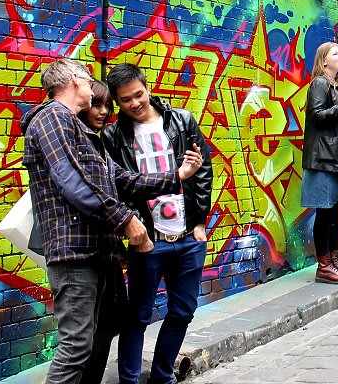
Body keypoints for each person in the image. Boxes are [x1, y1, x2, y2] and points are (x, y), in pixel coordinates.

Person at [22, 59, 203, 384]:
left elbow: (121, 179)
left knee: (102, 334)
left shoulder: (79, 128)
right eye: (89, 81)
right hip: (74, 254)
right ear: (76, 81)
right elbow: (72, 182)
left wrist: (176, 177)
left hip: (98, 254)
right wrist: (128, 223)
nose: (94, 88)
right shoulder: (52, 118)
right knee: (76, 345)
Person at [103, 64, 213, 384]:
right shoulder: (113, 136)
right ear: (117, 102)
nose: (135, 103)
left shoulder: (182, 121)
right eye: (126, 100)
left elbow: (202, 170)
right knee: (137, 316)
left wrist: (199, 222)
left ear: (146, 87)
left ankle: (162, 377)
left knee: (182, 311)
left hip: (187, 237)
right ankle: (129, 381)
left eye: (139, 94)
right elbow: (117, 187)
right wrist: (135, 230)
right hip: (149, 240)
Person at [76, 81, 124, 384]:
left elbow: (122, 180)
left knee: (108, 322)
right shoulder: (78, 141)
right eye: (97, 104)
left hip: (106, 249)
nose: (104, 111)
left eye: (108, 106)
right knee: (84, 333)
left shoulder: (99, 141)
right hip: (85, 250)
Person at [302, 41, 338, 284]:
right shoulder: (320, 84)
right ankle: (324, 265)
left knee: (335, 213)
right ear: (324, 60)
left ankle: (334, 259)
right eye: (335, 53)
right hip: (324, 160)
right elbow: (316, 116)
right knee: (325, 214)